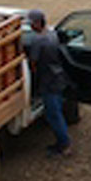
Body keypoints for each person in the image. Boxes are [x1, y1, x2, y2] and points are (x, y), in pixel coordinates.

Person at [26, 9, 72, 158]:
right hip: (58, 78)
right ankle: (62, 142)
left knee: (53, 115)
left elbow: (33, 64)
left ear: (38, 23)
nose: (31, 26)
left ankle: (64, 146)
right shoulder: (53, 34)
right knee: (57, 110)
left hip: (48, 82)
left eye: (32, 23)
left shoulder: (37, 41)